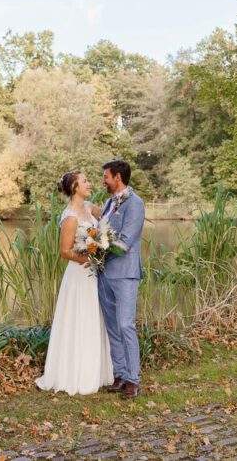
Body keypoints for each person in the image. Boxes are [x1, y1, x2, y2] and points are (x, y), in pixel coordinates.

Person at [34, 170, 114, 395]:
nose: (90, 184)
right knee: (79, 318)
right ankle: (74, 373)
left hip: (94, 273)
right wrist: (88, 257)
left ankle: (97, 372)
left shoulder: (89, 208)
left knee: (94, 317)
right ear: (75, 188)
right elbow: (65, 251)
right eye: (85, 181)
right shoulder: (70, 217)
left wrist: (104, 244)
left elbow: (109, 219)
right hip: (79, 275)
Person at [97, 159, 145, 399]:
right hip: (104, 273)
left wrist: (96, 247)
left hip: (125, 273)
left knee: (126, 325)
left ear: (117, 177)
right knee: (113, 327)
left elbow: (125, 242)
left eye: (106, 176)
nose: (103, 180)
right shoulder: (108, 203)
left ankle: (133, 380)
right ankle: (120, 375)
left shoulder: (135, 204)